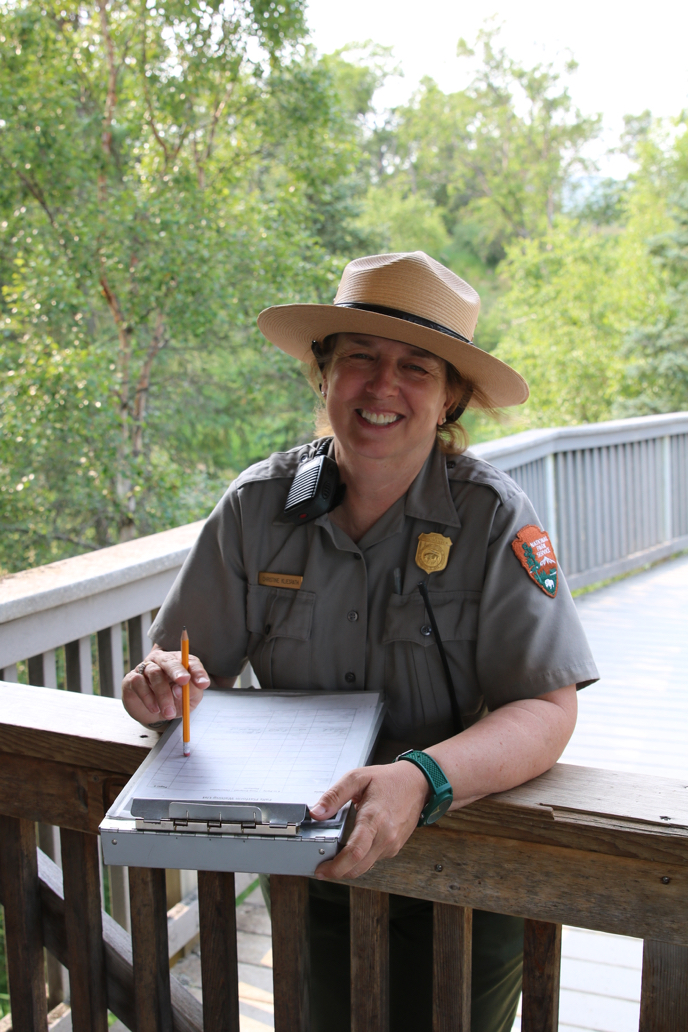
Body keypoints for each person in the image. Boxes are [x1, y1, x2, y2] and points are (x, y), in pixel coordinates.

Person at [121, 251, 598, 1032]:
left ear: (449, 399)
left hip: (467, 864)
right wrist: (160, 686)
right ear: (324, 377)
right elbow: (177, 672)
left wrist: (421, 780)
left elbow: (547, 708)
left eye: (416, 366)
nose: (383, 386)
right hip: (310, 863)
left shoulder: (494, 519)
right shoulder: (255, 510)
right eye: (359, 360)